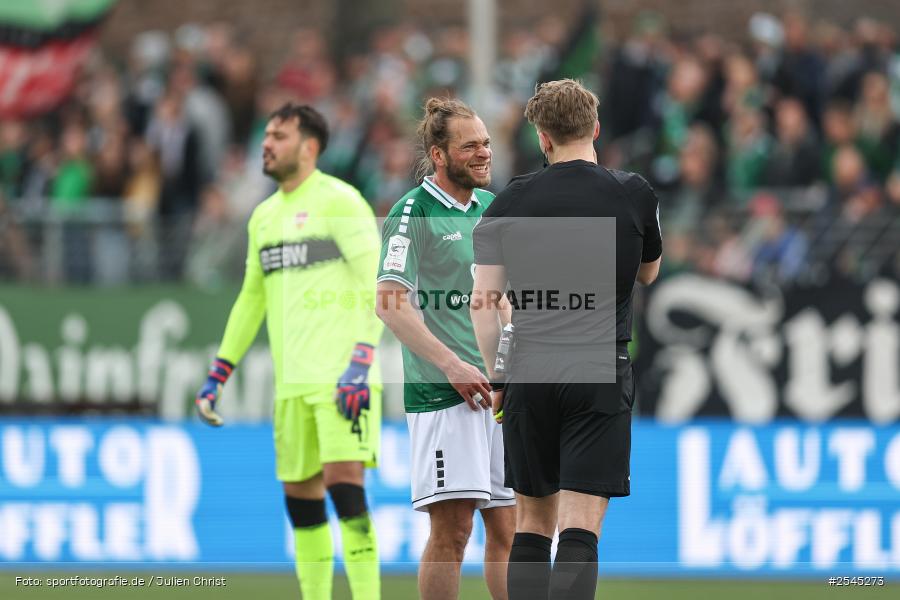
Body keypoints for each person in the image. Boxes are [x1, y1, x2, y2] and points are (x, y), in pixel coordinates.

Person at [470, 79, 662, 600]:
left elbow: (483, 304)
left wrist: (498, 379)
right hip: (598, 369)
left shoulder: (508, 202)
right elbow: (648, 274)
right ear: (595, 128)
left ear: (542, 137)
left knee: (533, 522)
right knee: (580, 526)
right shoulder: (633, 192)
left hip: (530, 371)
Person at [195, 103, 383, 600]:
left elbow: (378, 286)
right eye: (265, 135)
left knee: (346, 492)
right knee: (301, 507)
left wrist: (362, 360)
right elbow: (250, 299)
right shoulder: (263, 218)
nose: (266, 143)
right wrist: (220, 372)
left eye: (278, 135)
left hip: (344, 378)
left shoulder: (341, 202)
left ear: (310, 147)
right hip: (292, 383)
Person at [375, 98, 515, 600]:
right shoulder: (414, 211)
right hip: (445, 395)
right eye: (470, 146)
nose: (483, 153)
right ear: (439, 155)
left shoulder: (490, 208)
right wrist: (452, 364)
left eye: (486, 143)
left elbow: (501, 299)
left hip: (497, 396)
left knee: (510, 532)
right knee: (453, 533)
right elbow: (390, 304)